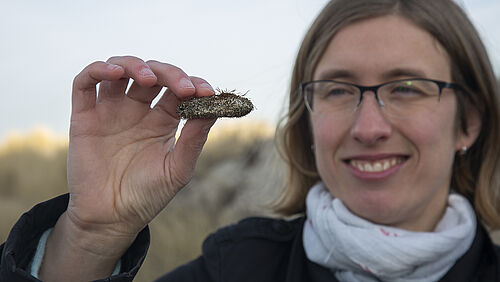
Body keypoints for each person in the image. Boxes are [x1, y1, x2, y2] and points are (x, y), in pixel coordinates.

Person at [1, 0, 499, 281]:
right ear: (307, 116)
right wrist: (90, 237)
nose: (368, 128)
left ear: (470, 122)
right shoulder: (233, 268)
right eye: (338, 89)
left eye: (407, 88)